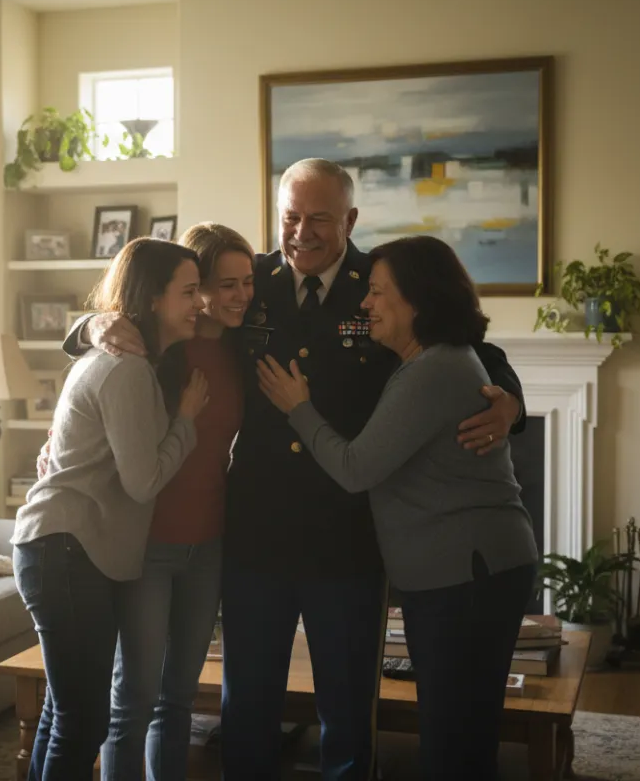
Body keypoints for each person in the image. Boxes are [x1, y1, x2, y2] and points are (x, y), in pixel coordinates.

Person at [65, 158, 526, 780]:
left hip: (349, 534)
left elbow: (471, 345)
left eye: (319, 219)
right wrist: (91, 325)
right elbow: (151, 299)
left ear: (351, 220)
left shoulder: (383, 281)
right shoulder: (247, 282)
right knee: (247, 706)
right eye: (289, 217)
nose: (301, 232)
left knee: (346, 710)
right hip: (258, 531)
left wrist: (510, 401)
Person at [257, 235, 539, 781]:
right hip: (470, 570)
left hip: (466, 574)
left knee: (450, 740)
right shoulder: (423, 361)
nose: (365, 304)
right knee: (464, 733)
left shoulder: (434, 368)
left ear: (418, 300)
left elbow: (355, 468)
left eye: (379, 293)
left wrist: (299, 409)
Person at [12, 237, 209, 781]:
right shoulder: (125, 369)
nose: (201, 303)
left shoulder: (131, 361)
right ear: (151, 300)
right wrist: (186, 420)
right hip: (66, 552)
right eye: (189, 292)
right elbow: (143, 481)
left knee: (63, 710)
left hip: (65, 550)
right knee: (83, 720)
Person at [100, 223, 256, 781]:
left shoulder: (241, 344)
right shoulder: (156, 344)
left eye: (248, 283)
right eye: (224, 285)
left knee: (180, 699)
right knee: (133, 700)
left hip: (208, 544)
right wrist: (92, 324)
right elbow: (101, 370)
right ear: (193, 288)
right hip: (148, 542)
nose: (241, 296)